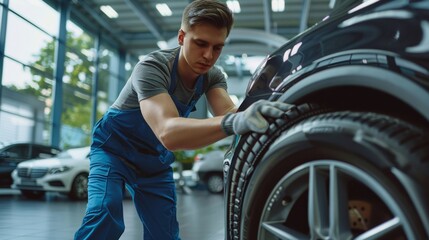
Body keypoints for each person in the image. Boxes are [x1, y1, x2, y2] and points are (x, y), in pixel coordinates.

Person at [74, 0, 292, 239]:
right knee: (105, 214)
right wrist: (234, 122)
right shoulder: (152, 67)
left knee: (165, 234)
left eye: (217, 47)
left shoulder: (212, 77)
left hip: (154, 162)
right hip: (113, 151)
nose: (209, 55)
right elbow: (168, 132)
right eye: (200, 44)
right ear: (181, 37)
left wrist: (266, 106)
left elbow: (229, 113)